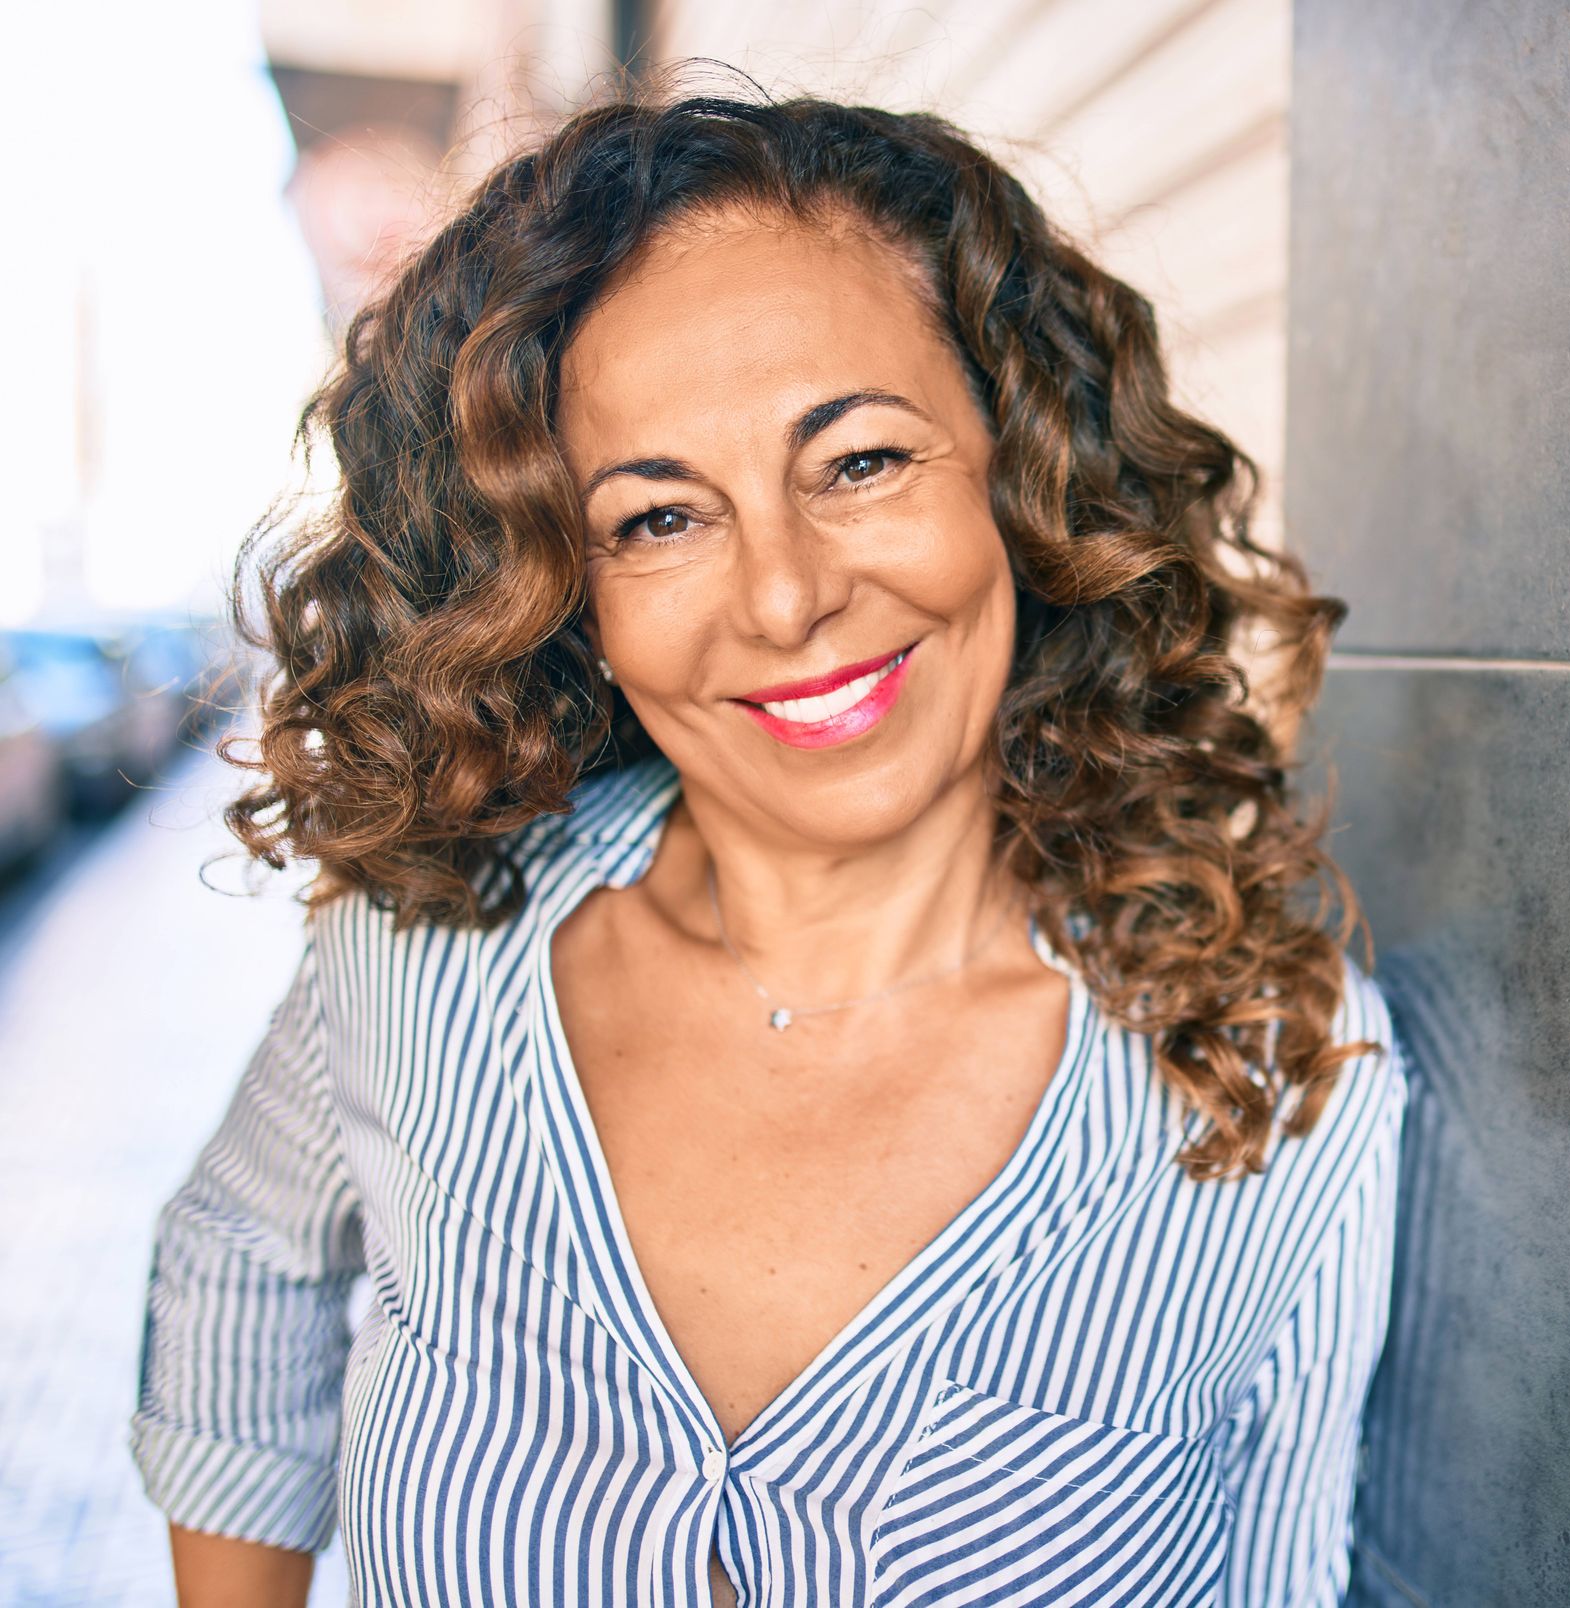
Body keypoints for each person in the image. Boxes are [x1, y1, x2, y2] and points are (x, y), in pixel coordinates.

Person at [130, 84, 1407, 1608]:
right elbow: (238, 1261)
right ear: (565, 595)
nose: (788, 598)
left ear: (1021, 469)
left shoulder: (1274, 1070)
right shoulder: (425, 948)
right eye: (658, 519)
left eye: (861, 461)